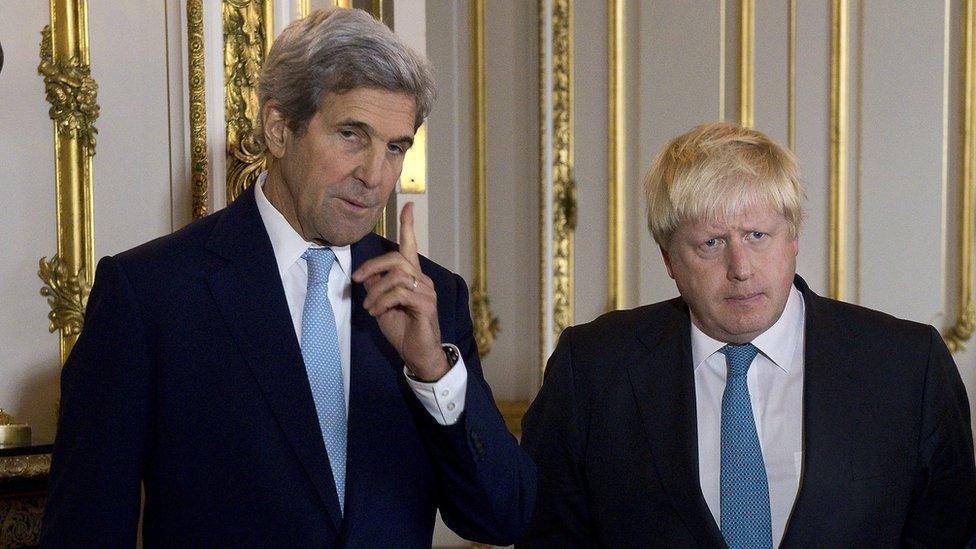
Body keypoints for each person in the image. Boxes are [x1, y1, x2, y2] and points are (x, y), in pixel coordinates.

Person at [41, 8, 535, 547]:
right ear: (278, 129)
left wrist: (434, 372)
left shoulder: (432, 298)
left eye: (395, 147)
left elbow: (503, 517)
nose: (375, 176)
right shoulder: (151, 294)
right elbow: (84, 530)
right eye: (351, 134)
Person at [519, 122, 976, 547]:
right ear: (669, 260)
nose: (740, 269)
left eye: (758, 235)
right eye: (711, 243)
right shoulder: (594, 367)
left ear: (793, 238)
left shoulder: (908, 365)